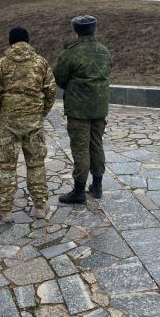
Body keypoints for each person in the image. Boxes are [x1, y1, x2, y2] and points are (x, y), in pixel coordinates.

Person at [0, 27, 57, 222]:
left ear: (11, 42)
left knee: (7, 166)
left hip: (8, 123)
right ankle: (41, 207)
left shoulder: (1, 64)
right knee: (36, 164)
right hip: (34, 122)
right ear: (27, 41)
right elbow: (51, 91)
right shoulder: (40, 63)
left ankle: (5, 210)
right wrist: (41, 112)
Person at [54, 15, 113, 204]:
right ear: (94, 30)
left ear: (76, 32)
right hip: (99, 108)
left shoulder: (71, 53)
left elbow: (60, 78)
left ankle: (79, 191)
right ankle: (97, 186)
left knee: (80, 149)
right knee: (96, 145)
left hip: (79, 110)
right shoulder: (104, 52)